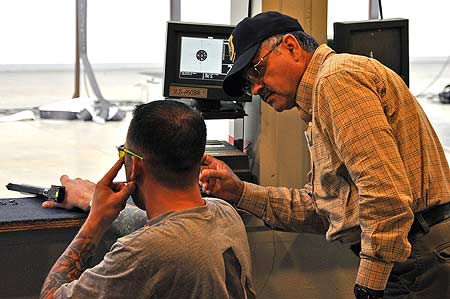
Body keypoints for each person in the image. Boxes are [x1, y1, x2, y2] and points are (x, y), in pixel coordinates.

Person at [199, 11, 450, 299]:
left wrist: (369, 285)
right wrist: (240, 192)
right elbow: (326, 210)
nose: (255, 88)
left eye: (256, 70)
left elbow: (385, 196)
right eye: (247, 82)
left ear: (291, 47)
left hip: (417, 259)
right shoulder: (321, 98)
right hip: (414, 254)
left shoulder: (336, 80)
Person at [40, 100, 256, 299]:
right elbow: (168, 226)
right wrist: (90, 200)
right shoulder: (226, 214)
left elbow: (50, 296)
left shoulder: (141, 253)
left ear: (134, 166)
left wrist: (95, 221)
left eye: (123, 153)